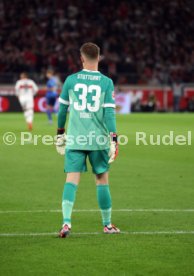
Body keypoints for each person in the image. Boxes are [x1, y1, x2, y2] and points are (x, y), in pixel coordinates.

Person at [55, 42, 120, 238]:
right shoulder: (107, 82)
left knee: (71, 179)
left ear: (81, 58)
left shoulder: (70, 80)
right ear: (98, 58)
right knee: (101, 180)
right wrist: (114, 138)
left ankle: (66, 223)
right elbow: (109, 113)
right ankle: (107, 225)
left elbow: (62, 110)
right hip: (97, 139)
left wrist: (59, 133)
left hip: (75, 138)